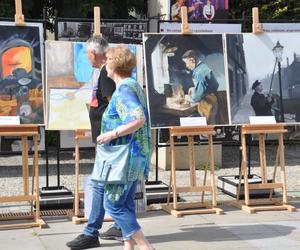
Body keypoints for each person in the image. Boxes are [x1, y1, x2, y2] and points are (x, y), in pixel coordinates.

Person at [66, 36, 122, 250]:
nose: (87, 56)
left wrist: (109, 135)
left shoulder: (107, 74)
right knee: (112, 183)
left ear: (93, 54)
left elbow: (114, 106)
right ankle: (118, 224)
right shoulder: (104, 70)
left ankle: (91, 232)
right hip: (108, 137)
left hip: (108, 139)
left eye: (87, 53)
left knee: (99, 183)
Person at [97, 46, 154, 250]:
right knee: (126, 204)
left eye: (107, 60)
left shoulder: (123, 90)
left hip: (124, 158)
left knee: (112, 204)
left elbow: (137, 118)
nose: (105, 64)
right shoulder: (134, 85)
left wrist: (111, 134)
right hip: (136, 155)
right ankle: (128, 247)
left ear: (114, 64)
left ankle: (145, 246)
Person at [182, 50, 220, 123]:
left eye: (186, 63)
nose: (186, 66)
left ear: (192, 60)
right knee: (212, 123)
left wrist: (187, 98)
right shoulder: (204, 67)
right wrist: (194, 88)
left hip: (207, 104)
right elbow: (215, 85)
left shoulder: (198, 72)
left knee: (206, 126)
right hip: (213, 100)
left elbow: (196, 97)